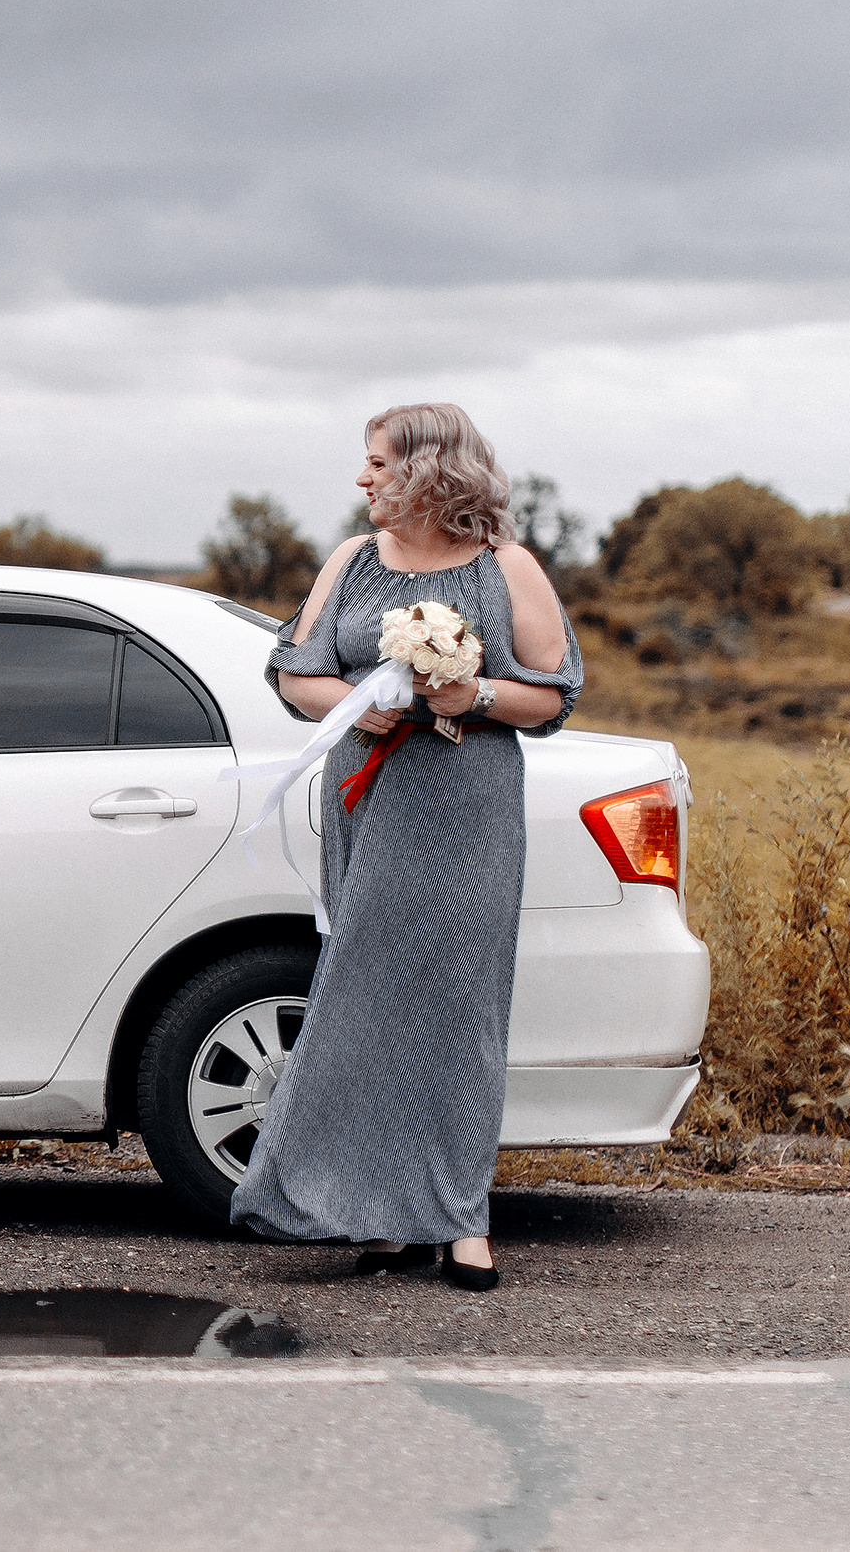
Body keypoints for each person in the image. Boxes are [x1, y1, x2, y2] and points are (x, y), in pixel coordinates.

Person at [229, 402, 583, 1292]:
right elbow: (294, 671)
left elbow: (554, 695)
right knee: (366, 998)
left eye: (378, 463)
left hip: (465, 805)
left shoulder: (508, 567)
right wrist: (357, 701)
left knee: (459, 1008)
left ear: (432, 471)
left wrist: (477, 696)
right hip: (369, 799)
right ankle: (375, 1210)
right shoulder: (351, 561)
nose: (363, 479)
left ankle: (463, 1219)